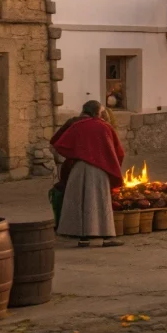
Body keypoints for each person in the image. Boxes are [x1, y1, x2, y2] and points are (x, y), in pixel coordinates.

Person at [51, 100, 125, 248]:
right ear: (97, 112)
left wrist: (73, 155)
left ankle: (83, 238)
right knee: (101, 202)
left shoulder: (76, 125)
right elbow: (118, 151)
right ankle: (107, 238)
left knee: (81, 202)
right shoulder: (104, 127)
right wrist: (111, 165)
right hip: (99, 169)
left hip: (78, 169)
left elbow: (58, 143)